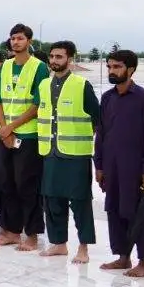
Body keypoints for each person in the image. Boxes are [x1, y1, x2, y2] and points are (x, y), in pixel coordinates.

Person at [36, 41, 101, 263]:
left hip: (75, 155)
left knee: (80, 202)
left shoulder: (82, 85)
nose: (54, 61)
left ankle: (83, 247)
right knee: (52, 200)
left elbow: (97, 117)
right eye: (52, 57)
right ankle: (59, 243)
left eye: (59, 57)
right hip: (50, 152)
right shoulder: (44, 84)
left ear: (70, 59)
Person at [96, 49, 144, 278]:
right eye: (110, 67)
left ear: (130, 69)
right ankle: (122, 257)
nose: (112, 71)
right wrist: (99, 165)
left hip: (135, 167)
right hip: (111, 166)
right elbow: (101, 134)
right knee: (114, 210)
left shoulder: (143, 98)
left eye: (117, 67)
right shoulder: (107, 98)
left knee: (138, 212)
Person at [0, 23, 49, 252]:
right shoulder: (5, 66)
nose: (15, 42)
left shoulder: (39, 68)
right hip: (6, 135)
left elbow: (38, 104)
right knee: (6, 183)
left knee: (26, 185)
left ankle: (32, 234)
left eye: (20, 38)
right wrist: (5, 128)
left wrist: (12, 127)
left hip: (28, 135)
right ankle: (12, 231)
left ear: (29, 41)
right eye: (13, 38)